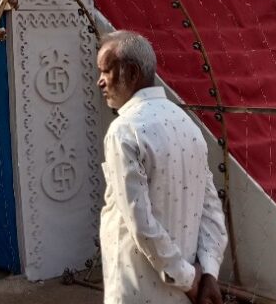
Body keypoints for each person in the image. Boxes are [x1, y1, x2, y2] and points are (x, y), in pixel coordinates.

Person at [97, 31, 227, 304]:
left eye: (106, 71)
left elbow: (140, 223)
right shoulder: (187, 124)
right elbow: (211, 210)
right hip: (184, 292)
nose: (100, 81)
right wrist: (208, 273)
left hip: (139, 291)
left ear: (131, 73)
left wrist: (189, 279)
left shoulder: (124, 131)